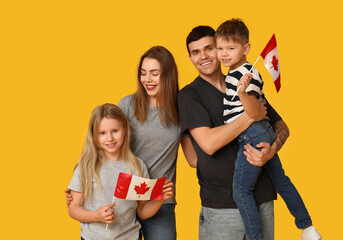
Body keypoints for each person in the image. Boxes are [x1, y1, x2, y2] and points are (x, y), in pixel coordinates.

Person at [66, 46, 197, 240]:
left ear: (168, 76)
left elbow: (193, 159)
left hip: (156, 200)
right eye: (143, 73)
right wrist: (81, 184)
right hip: (120, 198)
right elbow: (104, 136)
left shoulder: (180, 110)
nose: (147, 79)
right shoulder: (127, 105)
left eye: (154, 73)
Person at [178, 25, 289, 240]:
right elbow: (208, 144)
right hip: (222, 208)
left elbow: (282, 127)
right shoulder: (189, 95)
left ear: (220, 49)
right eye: (195, 52)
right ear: (190, 57)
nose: (204, 56)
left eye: (209, 48)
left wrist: (271, 150)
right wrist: (250, 116)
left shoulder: (244, 82)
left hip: (263, 198)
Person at [215, 19, 321, 240]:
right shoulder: (238, 72)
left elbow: (254, 111)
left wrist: (242, 92)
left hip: (251, 134)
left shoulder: (245, 74)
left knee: (241, 192)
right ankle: (308, 228)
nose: (224, 54)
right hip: (262, 132)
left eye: (231, 48)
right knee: (281, 180)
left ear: (246, 49)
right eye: (220, 48)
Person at [67, 103, 174, 240]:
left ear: (124, 129)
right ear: (94, 135)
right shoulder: (86, 166)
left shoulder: (137, 166)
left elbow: (141, 211)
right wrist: (96, 216)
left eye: (115, 131)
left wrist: (161, 199)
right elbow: (73, 209)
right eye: (102, 133)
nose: (110, 138)